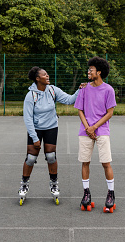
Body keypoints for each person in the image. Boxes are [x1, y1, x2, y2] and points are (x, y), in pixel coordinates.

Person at [19, 66, 86, 205]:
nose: (47, 76)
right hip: (35, 129)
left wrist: (79, 90)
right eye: (44, 75)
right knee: (31, 158)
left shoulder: (52, 90)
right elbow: (27, 118)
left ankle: (54, 183)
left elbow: (69, 99)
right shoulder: (30, 96)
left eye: (47, 74)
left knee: (51, 156)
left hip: (51, 127)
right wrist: (35, 138)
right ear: (38, 78)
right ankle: (24, 184)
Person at [74, 56, 117, 213]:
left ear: (99, 72)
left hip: (102, 131)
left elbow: (110, 112)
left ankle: (111, 193)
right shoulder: (84, 89)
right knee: (85, 162)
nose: (88, 72)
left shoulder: (108, 90)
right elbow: (80, 110)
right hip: (85, 131)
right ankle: (86, 193)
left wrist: (94, 127)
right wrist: (88, 128)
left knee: (106, 163)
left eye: (91, 70)